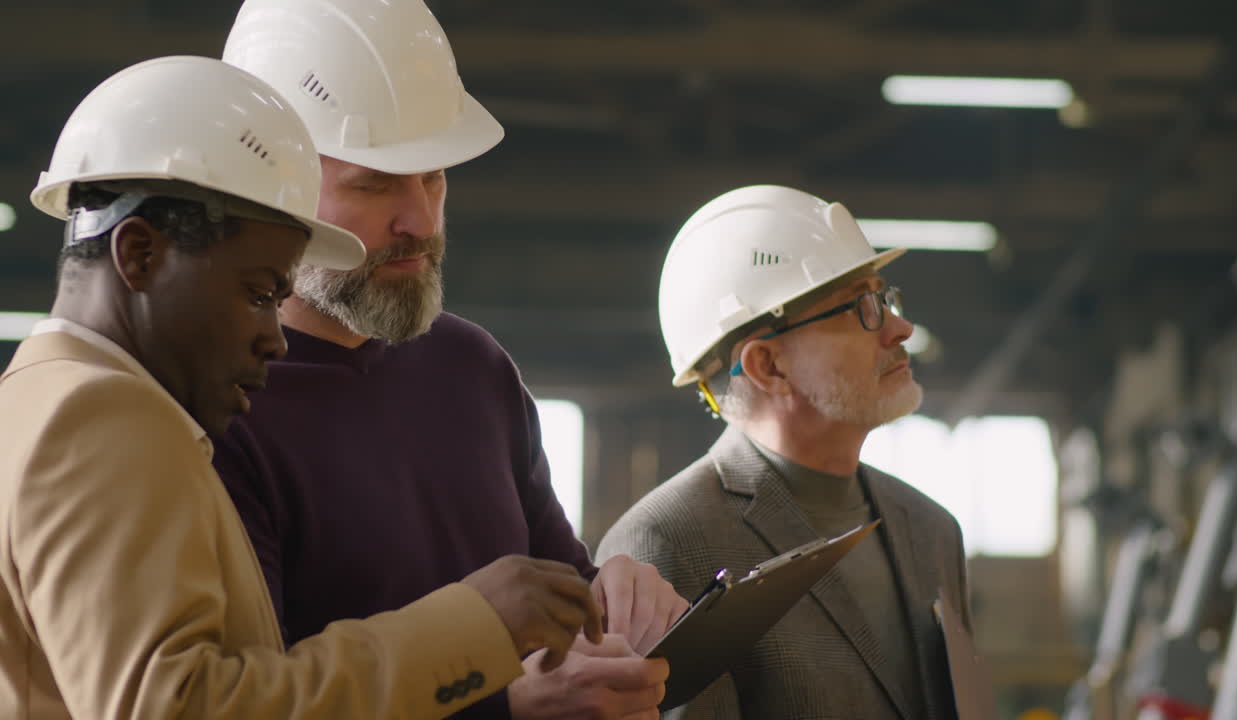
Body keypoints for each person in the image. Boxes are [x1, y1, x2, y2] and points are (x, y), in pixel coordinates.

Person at [0, 55, 605, 719]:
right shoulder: (100, 416)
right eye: (259, 292)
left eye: (434, 180)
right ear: (140, 254)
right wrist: (473, 629)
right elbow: (174, 707)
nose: (276, 337)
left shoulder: (42, 395)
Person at [213, 1, 683, 717]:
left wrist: (616, 599)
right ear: (267, 185)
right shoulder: (223, 408)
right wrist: (503, 708)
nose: (421, 221)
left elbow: (563, 594)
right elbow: (255, 701)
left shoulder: (473, 368)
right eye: (374, 185)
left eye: (433, 178)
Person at [596, 185, 973, 719]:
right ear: (767, 366)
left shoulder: (932, 530)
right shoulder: (667, 543)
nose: (900, 328)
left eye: (884, 297)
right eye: (862, 308)